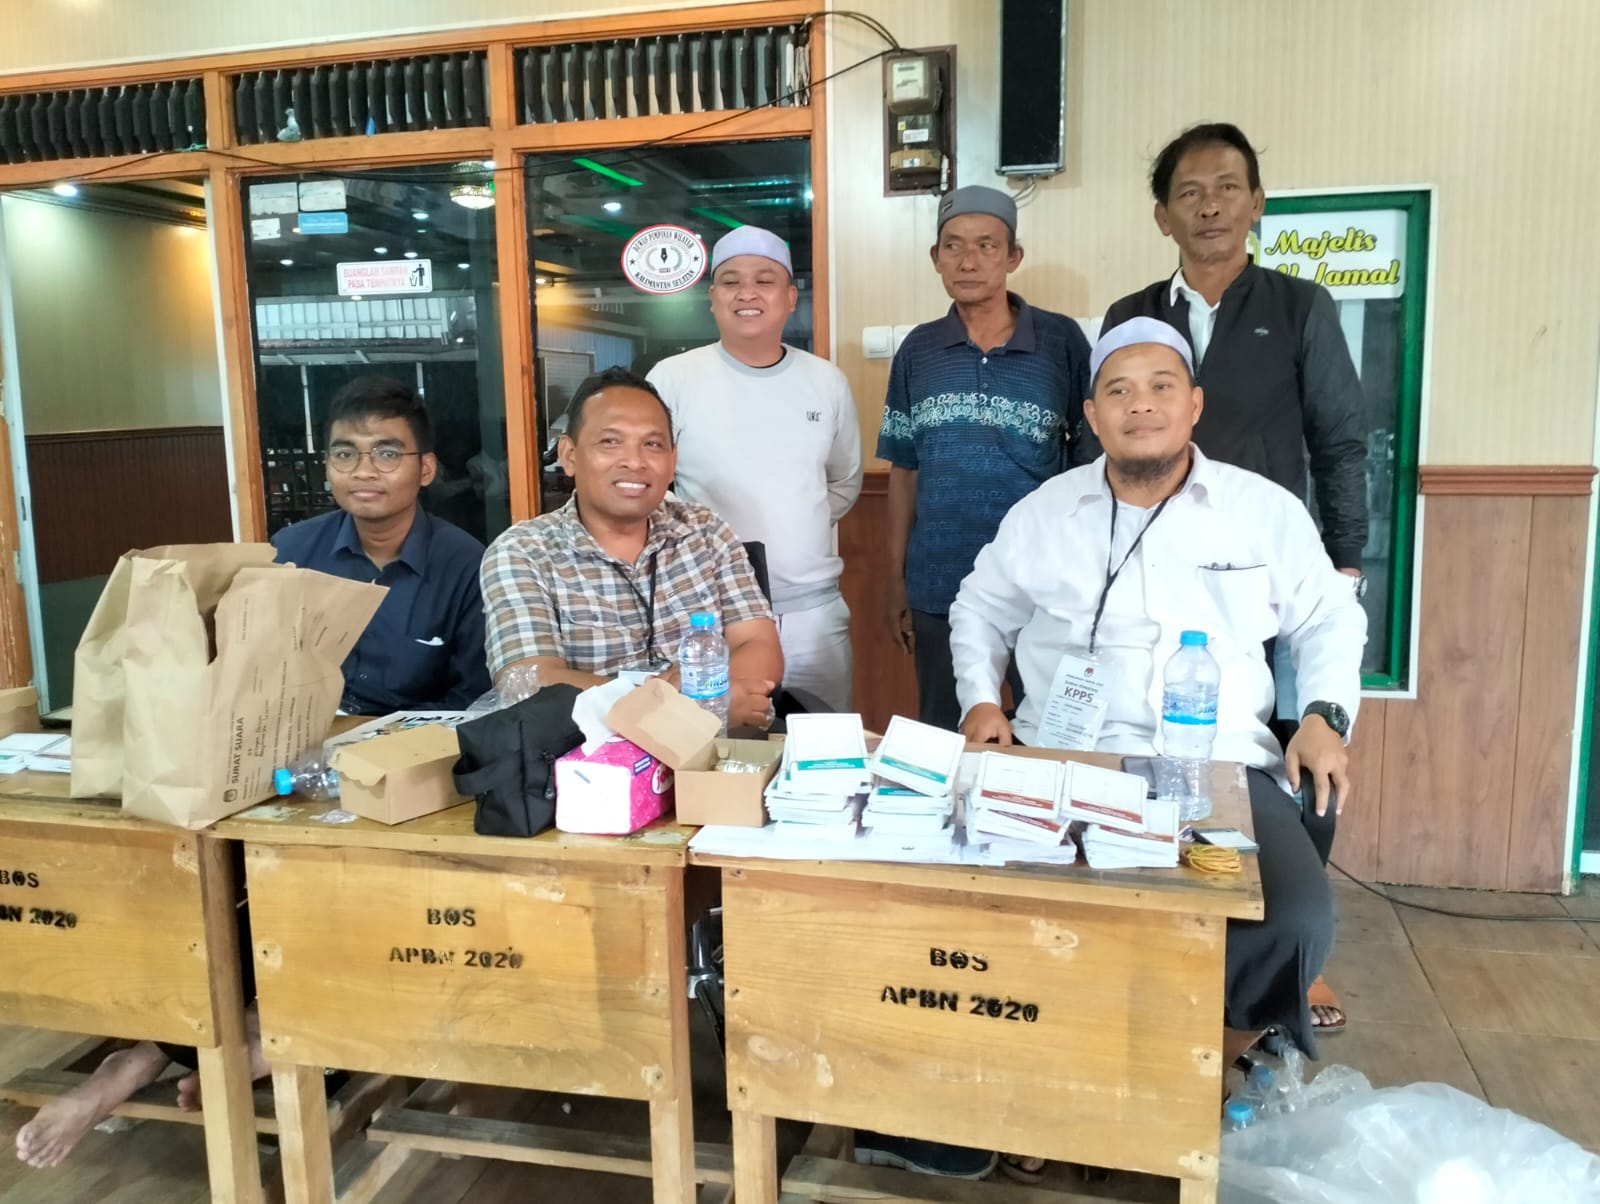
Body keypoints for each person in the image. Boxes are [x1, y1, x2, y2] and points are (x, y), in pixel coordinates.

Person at [949, 317, 1365, 1180]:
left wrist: (1325, 714)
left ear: (1195, 405)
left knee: (1293, 921)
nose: (1141, 405)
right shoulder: (1044, 515)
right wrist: (982, 701)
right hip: (1065, 762)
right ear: (1092, 415)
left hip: (1220, 767)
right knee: (1000, 911)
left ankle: (1193, 1070)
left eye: (1161, 386)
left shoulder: (1261, 510)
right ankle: (1051, 1084)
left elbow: (1330, 616)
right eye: (1119, 390)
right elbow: (978, 609)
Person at [1102, 121, 1367, 1030]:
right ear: (1162, 215)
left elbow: (1339, 440)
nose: (1208, 206)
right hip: (1156, 552)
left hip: (1264, 565)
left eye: (1226, 188)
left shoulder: (1299, 306)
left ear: (1255, 204)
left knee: (1297, 744)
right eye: (1189, 192)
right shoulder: (1135, 313)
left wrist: (1344, 562)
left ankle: (1296, 955)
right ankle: (1168, 926)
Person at [878, 184, 1092, 731]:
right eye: (953, 246)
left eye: (986, 246)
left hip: (1043, 581)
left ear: (1013, 256)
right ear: (935, 258)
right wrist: (897, 581)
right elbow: (904, 470)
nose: (968, 261)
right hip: (939, 583)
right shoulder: (918, 350)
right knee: (945, 733)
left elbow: (1091, 463)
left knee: (1051, 731)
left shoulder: (1062, 342)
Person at [481, 367, 783, 728]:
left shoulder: (705, 531)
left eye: (652, 445)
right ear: (569, 455)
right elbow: (529, 683)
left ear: (672, 461)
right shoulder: (522, 552)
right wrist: (681, 709)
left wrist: (707, 703)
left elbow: (759, 645)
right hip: (588, 755)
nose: (635, 461)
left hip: (721, 748)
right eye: (610, 442)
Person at [648, 225, 862, 711]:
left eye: (764, 281)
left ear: (790, 297)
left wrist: (796, 520)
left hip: (811, 612)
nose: (747, 293)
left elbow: (844, 482)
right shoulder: (672, 378)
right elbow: (653, 485)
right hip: (706, 616)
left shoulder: (826, 381)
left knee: (822, 740)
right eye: (731, 281)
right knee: (709, 741)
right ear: (712, 298)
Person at [273, 375, 492, 714]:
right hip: (307, 736)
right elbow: (265, 670)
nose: (363, 471)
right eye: (345, 454)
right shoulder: (291, 553)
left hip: (420, 741)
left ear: (426, 469)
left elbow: (474, 697)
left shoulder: (467, 566)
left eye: (387, 454)